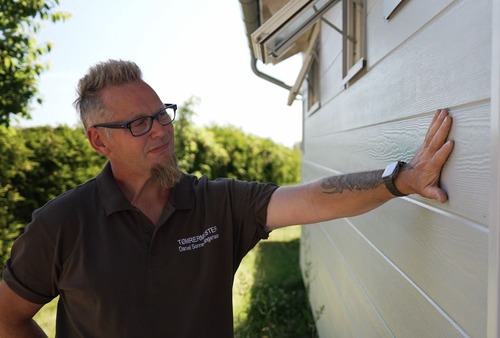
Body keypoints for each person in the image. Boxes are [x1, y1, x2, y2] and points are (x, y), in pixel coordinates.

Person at [0, 60, 454, 338]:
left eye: (162, 115)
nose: (161, 129)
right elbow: (8, 318)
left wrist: (401, 180)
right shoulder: (61, 224)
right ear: (99, 142)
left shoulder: (216, 205)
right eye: (139, 123)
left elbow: (314, 200)